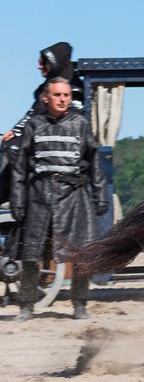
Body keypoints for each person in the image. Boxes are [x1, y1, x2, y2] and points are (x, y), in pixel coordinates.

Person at [10, 78, 108, 321]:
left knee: (81, 253)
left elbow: (94, 162)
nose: (63, 99)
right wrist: (18, 200)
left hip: (74, 196)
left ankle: (80, 304)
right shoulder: (34, 125)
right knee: (31, 254)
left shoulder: (80, 124)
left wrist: (100, 195)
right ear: (46, 98)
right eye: (57, 95)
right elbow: (20, 168)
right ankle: (26, 305)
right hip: (39, 195)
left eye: (66, 95)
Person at [1, 42, 84, 204]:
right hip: (37, 139)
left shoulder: (72, 92)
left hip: (55, 147)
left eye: (43, 62)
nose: (39, 67)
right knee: (8, 144)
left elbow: (64, 123)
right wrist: (13, 133)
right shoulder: (44, 90)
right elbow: (29, 118)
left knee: (13, 150)